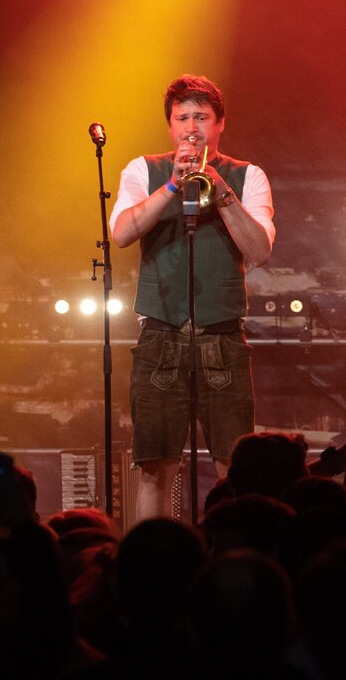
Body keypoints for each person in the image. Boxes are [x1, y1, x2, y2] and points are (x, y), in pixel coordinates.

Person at [110, 74, 275, 525]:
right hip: (160, 335)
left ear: (220, 123)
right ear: (169, 125)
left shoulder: (248, 176)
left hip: (222, 338)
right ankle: (156, 568)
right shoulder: (143, 170)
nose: (191, 127)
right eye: (182, 117)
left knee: (235, 468)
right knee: (155, 469)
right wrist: (170, 188)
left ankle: (234, 561)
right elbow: (122, 233)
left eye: (201, 117)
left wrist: (219, 187)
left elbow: (259, 250)